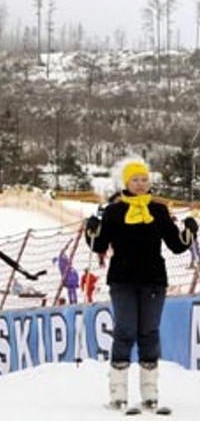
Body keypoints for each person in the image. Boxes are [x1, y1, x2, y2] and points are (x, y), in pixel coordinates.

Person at [86, 158, 194, 412]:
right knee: (125, 329)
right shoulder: (114, 212)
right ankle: (118, 394)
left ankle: (150, 395)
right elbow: (99, 245)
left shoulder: (158, 211)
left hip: (153, 279)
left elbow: (176, 245)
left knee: (149, 331)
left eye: (144, 179)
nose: (140, 184)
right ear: (126, 182)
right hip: (122, 279)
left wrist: (189, 232)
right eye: (135, 179)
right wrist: (91, 230)